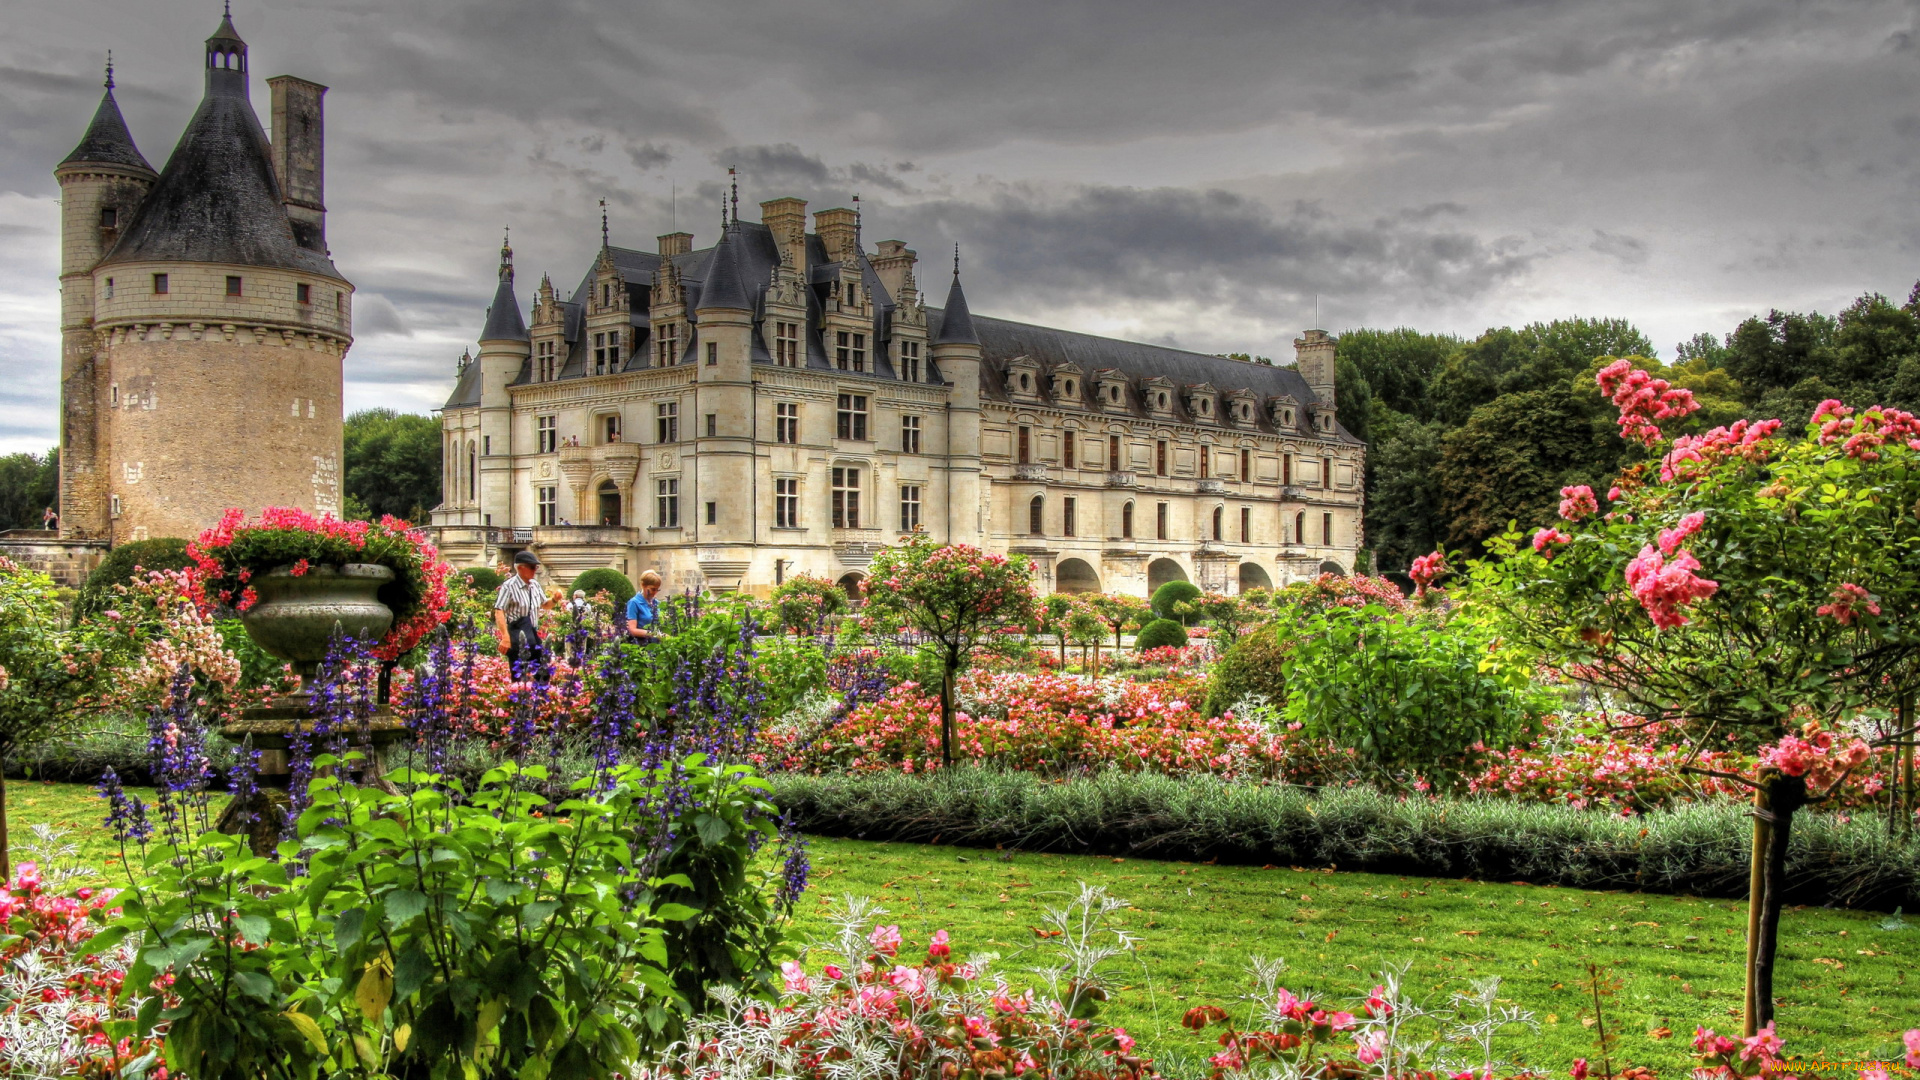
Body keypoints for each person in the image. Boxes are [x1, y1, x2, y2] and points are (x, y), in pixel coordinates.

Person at [493, 551, 557, 665]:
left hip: (532, 633)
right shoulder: (509, 586)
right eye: (532, 567)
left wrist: (555, 599)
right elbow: (499, 611)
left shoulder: (535, 585)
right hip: (516, 634)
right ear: (520, 568)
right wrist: (505, 637)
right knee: (519, 674)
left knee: (540, 671)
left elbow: (545, 605)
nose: (535, 570)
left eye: (536, 567)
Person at [625, 570, 663, 643]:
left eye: (657, 589)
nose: (655, 592)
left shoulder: (657, 603)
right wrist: (655, 634)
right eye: (653, 589)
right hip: (642, 644)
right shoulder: (634, 603)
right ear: (643, 585)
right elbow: (632, 630)